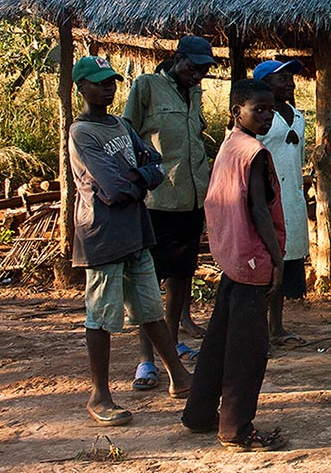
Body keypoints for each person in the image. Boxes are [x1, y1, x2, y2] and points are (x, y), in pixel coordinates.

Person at [68, 56, 193, 426]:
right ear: (81, 87)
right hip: (103, 236)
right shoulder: (82, 132)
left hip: (135, 230)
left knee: (149, 308)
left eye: (110, 81)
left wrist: (137, 177)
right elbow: (113, 187)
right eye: (98, 82)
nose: (107, 88)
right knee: (101, 316)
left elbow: (155, 164)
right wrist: (139, 179)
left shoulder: (121, 124)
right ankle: (99, 395)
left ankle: (179, 377)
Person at [181, 79, 288, 452]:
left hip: (231, 255)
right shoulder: (253, 152)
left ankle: (199, 413)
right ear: (236, 112)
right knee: (248, 349)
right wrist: (277, 259)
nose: (267, 116)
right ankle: (236, 427)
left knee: (219, 340)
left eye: (270, 110)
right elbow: (258, 208)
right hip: (252, 258)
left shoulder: (230, 144)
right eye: (258, 110)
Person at [123, 35, 215, 390]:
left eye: (204, 69)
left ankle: (172, 343)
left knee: (180, 277)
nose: (198, 74)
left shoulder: (195, 92)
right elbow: (127, 134)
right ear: (178, 58)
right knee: (149, 283)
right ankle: (146, 359)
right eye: (193, 66)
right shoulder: (147, 86)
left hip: (190, 201)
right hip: (156, 201)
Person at [252, 59, 310, 349]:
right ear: (264, 84)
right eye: (282, 79)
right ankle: (257, 331)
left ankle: (276, 327)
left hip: (291, 200)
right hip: (265, 200)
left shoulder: (297, 116)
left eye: (290, 78)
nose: (290, 83)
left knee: (283, 264)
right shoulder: (258, 119)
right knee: (265, 265)